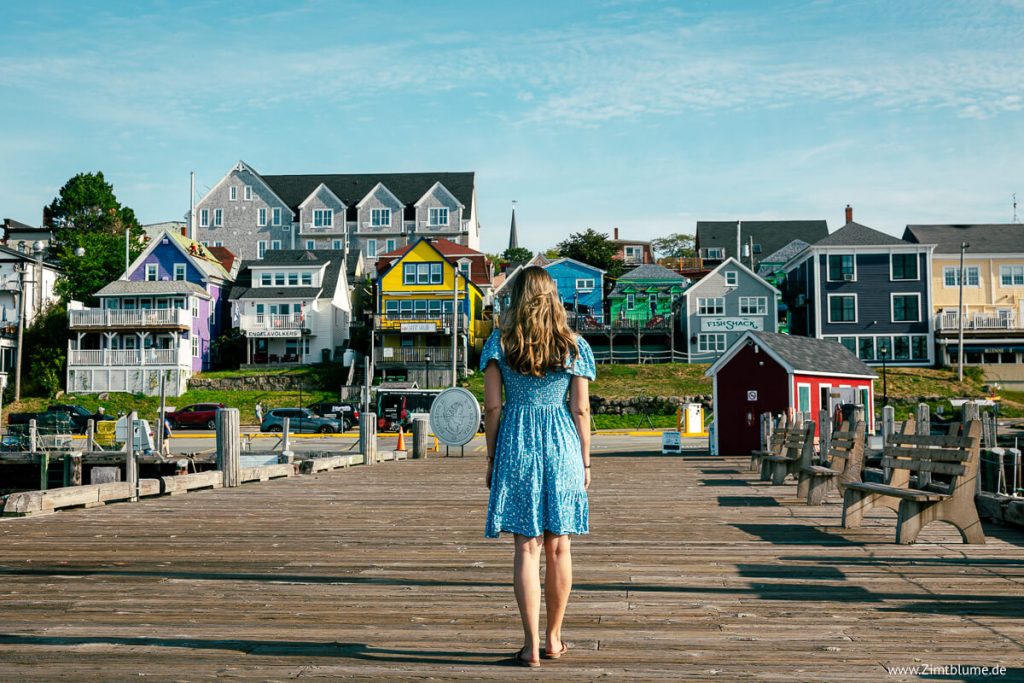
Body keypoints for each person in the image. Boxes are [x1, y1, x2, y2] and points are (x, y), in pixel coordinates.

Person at [480, 266, 595, 668]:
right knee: (559, 546)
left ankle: (529, 646)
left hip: (516, 443)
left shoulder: (500, 342)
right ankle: (554, 639)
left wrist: (492, 457)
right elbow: (580, 409)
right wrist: (585, 461)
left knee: (526, 548)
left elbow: (492, 406)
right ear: (554, 298)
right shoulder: (574, 345)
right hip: (563, 443)